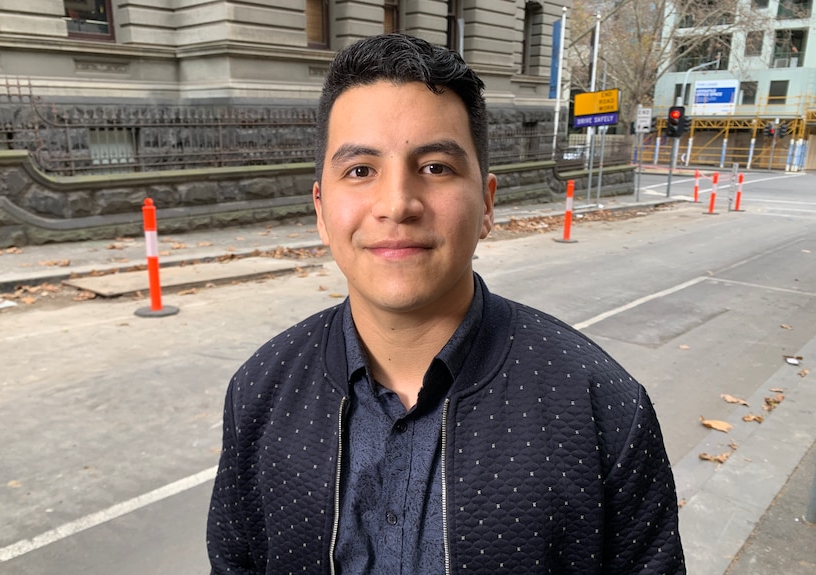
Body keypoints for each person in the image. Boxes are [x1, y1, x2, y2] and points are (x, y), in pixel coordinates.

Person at [207, 33, 685, 574]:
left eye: (435, 167)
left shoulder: (602, 409)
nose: (396, 204)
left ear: (486, 203)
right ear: (321, 208)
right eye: (360, 170)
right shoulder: (260, 392)